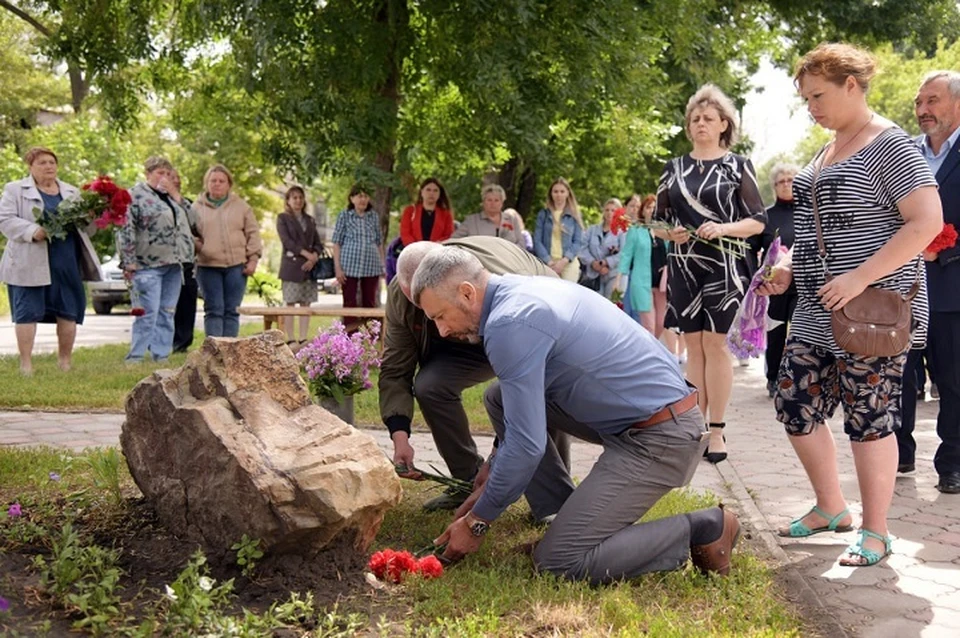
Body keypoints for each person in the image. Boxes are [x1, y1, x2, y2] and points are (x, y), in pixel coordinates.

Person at [411, 248, 741, 581]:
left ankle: (706, 527)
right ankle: (561, 515)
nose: (441, 331)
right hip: (646, 417)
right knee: (498, 397)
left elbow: (526, 447)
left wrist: (477, 521)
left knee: (557, 563)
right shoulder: (520, 289)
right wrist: (495, 465)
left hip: (661, 438)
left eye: (440, 316)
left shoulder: (508, 322)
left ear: (467, 292)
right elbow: (521, 412)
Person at [759, 43, 942, 566]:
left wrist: (860, 278)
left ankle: (877, 530)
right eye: (806, 98)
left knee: (870, 417)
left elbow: (926, 222)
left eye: (818, 95)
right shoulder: (828, 149)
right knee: (792, 403)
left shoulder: (891, 146)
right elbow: (814, 227)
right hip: (818, 309)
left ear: (852, 86)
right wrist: (789, 268)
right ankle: (831, 507)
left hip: (873, 312)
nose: (811, 107)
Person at [383, 236, 569, 512]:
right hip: (464, 338)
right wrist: (400, 437)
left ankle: (553, 501)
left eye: (428, 303)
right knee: (430, 386)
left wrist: (497, 457)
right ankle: (468, 481)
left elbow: (525, 380)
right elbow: (395, 366)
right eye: (417, 304)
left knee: (538, 393)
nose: (424, 314)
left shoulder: (501, 281)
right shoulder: (402, 293)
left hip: (528, 329)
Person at [655, 84, 766, 464]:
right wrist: (670, 233)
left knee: (716, 346)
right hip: (685, 265)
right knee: (693, 347)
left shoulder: (738, 166)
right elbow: (657, 222)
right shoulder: (674, 169)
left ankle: (717, 430)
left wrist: (723, 228)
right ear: (688, 127)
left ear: (724, 125)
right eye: (695, 119)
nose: (701, 123)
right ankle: (694, 428)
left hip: (725, 266)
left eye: (708, 118)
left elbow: (757, 221)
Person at [897, 70, 960, 492]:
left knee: (953, 381)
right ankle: (896, 458)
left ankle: (952, 463)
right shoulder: (905, 154)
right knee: (897, 377)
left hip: (951, 289)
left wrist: (944, 249)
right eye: (920, 103)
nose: (923, 110)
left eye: (932, 101)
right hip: (900, 289)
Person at [0, 147, 102, 374]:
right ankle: (26, 364)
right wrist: (32, 230)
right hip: (28, 261)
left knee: (68, 310)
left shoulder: (71, 192)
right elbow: (5, 219)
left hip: (65, 261)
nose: (48, 167)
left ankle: (64, 362)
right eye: (42, 163)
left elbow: (88, 231)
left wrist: (92, 218)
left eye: (52, 162)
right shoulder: (15, 190)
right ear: (30, 167)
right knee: (27, 311)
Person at [117, 156, 195, 363]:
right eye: (160, 173)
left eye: (168, 174)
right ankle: (135, 357)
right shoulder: (134, 196)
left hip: (174, 262)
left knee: (167, 312)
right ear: (148, 174)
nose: (165, 178)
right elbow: (125, 229)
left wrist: (176, 195)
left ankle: (161, 355)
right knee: (147, 313)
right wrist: (128, 260)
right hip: (146, 263)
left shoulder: (171, 198)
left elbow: (194, 219)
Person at [191, 164, 262, 338]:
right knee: (214, 309)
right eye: (213, 180)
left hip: (237, 267)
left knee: (232, 310)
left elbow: (253, 233)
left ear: (228, 184)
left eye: (221, 181)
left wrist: (253, 259)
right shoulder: (196, 208)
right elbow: (189, 235)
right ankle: (215, 352)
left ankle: (231, 351)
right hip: (207, 266)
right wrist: (200, 248)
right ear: (206, 184)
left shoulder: (241, 206)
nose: (217, 184)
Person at [760, 163, 800, 398]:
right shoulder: (766, 216)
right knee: (775, 333)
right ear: (774, 186)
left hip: (802, 284)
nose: (786, 185)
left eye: (790, 180)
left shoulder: (807, 212)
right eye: (781, 181)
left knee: (798, 332)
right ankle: (773, 377)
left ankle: (794, 377)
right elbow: (752, 248)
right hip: (773, 285)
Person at [332, 184, 384, 330]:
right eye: (359, 196)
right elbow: (336, 242)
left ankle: (370, 336)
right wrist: (338, 268)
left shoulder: (373, 216)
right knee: (349, 302)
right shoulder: (344, 215)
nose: (363, 199)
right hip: (348, 265)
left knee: (370, 302)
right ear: (352, 198)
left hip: (371, 265)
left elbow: (379, 242)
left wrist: (382, 265)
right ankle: (349, 336)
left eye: (366, 196)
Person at [277, 185, 324, 343]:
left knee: (306, 304)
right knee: (290, 303)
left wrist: (314, 257)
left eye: (300, 197)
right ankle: (290, 339)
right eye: (294, 197)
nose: (298, 200)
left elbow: (318, 243)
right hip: (292, 266)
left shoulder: (310, 220)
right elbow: (287, 242)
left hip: (309, 269)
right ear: (288, 200)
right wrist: (306, 254)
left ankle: (303, 338)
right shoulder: (283, 218)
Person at [615, 195, 660, 333]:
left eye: (654, 208)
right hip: (642, 281)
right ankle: (649, 353)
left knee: (661, 324)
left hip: (661, 284)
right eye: (648, 207)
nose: (652, 211)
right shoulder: (636, 230)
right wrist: (618, 279)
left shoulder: (664, 231)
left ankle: (656, 351)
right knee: (648, 325)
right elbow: (626, 255)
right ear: (643, 210)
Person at [532, 178, 584, 281]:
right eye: (555, 191)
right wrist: (549, 262)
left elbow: (578, 242)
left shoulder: (574, 215)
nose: (558, 195)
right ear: (551, 193)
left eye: (562, 191)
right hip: (547, 262)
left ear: (567, 193)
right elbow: (537, 241)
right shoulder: (543, 214)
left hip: (568, 263)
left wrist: (563, 261)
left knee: (568, 295)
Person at [170, 169, 199, 353]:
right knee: (166, 305)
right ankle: (163, 342)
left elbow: (195, 222)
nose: (175, 181)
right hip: (164, 260)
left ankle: (182, 343)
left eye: (177, 178)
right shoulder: (152, 201)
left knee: (187, 302)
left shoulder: (186, 203)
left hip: (186, 260)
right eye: (171, 178)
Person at [451, 184, 526, 248]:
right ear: (483, 202)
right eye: (489, 200)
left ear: (502, 203)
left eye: (496, 200)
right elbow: (454, 240)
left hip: (509, 260)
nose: (493, 203)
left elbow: (521, 243)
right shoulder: (471, 221)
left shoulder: (511, 219)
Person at [579, 198, 625, 298]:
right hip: (593, 275)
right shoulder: (592, 229)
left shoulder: (622, 232)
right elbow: (582, 248)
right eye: (607, 210)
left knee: (610, 306)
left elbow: (624, 253)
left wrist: (606, 262)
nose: (609, 213)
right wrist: (592, 263)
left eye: (613, 210)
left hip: (613, 274)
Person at [399, 178, 455, 246]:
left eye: (435, 190)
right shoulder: (410, 211)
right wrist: (416, 247)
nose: (431, 193)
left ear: (440, 194)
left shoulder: (446, 214)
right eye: (428, 190)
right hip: (413, 250)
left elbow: (448, 235)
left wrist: (434, 246)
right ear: (422, 192)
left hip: (437, 251)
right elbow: (405, 233)